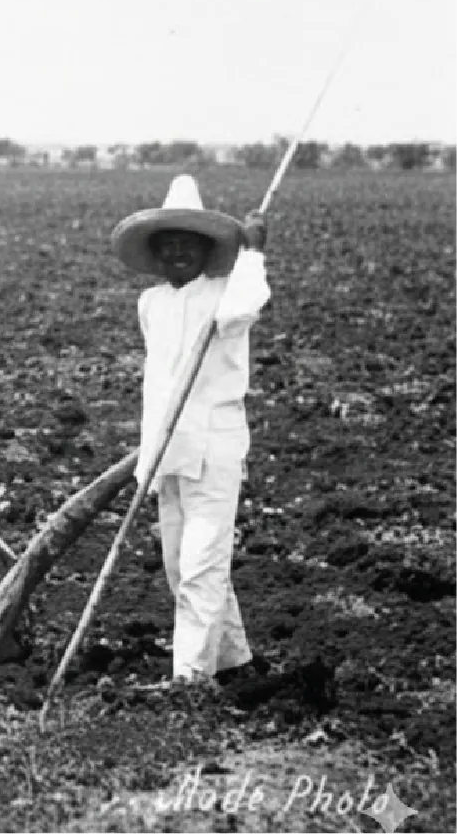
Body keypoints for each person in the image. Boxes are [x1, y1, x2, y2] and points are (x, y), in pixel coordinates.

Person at [109, 174, 269, 686]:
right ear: (156, 254)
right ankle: (235, 660)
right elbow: (161, 379)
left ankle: (189, 684)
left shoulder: (226, 295)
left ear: (205, 249)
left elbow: (248, 304)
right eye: (168, 245)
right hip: (165, 451)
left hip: (213, 448)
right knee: (181, 566)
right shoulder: (151, 304)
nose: (178, 253)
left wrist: (254, 252)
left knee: (202, 566)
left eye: (188, 244)